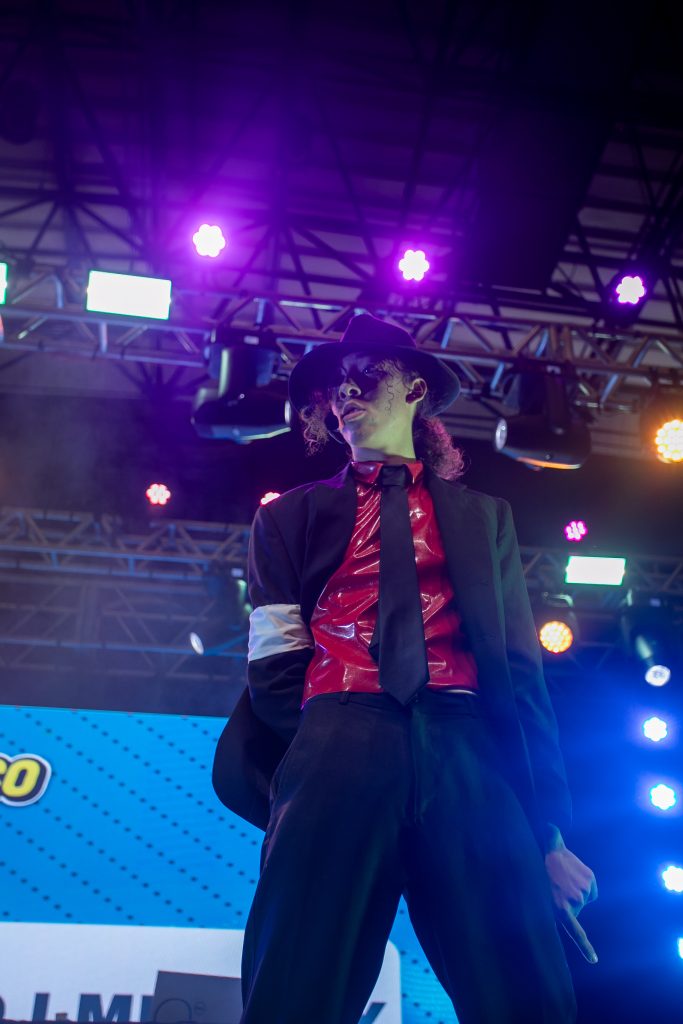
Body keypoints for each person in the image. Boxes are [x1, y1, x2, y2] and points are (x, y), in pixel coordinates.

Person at [212, 313, 598, 1024]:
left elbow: (520, 674)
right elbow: (273, 659)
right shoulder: (287, 517)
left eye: (366, 376)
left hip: (464, 746)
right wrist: (318, 752)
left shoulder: (485, 518)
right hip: (339, 735)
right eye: (335, 386)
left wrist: (546, 832)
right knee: (295, 986)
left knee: (528, 992)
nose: (344, 393)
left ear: (415, 389)